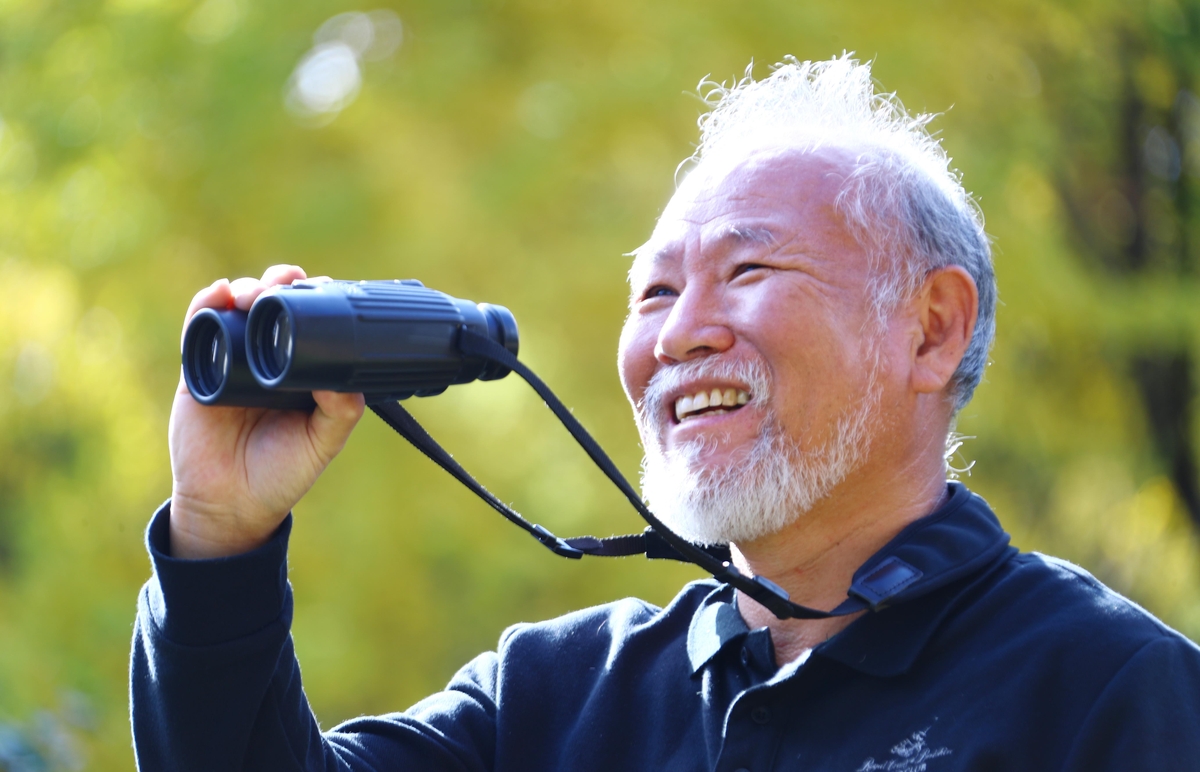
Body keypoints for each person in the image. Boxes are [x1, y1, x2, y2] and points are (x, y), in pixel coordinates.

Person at [130, 56, 1200, 771]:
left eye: (748, 270)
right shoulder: (552, 698)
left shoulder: (1106, 687)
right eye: (652, 291)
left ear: (928, 330)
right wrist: (220, 534)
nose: (681, 333)